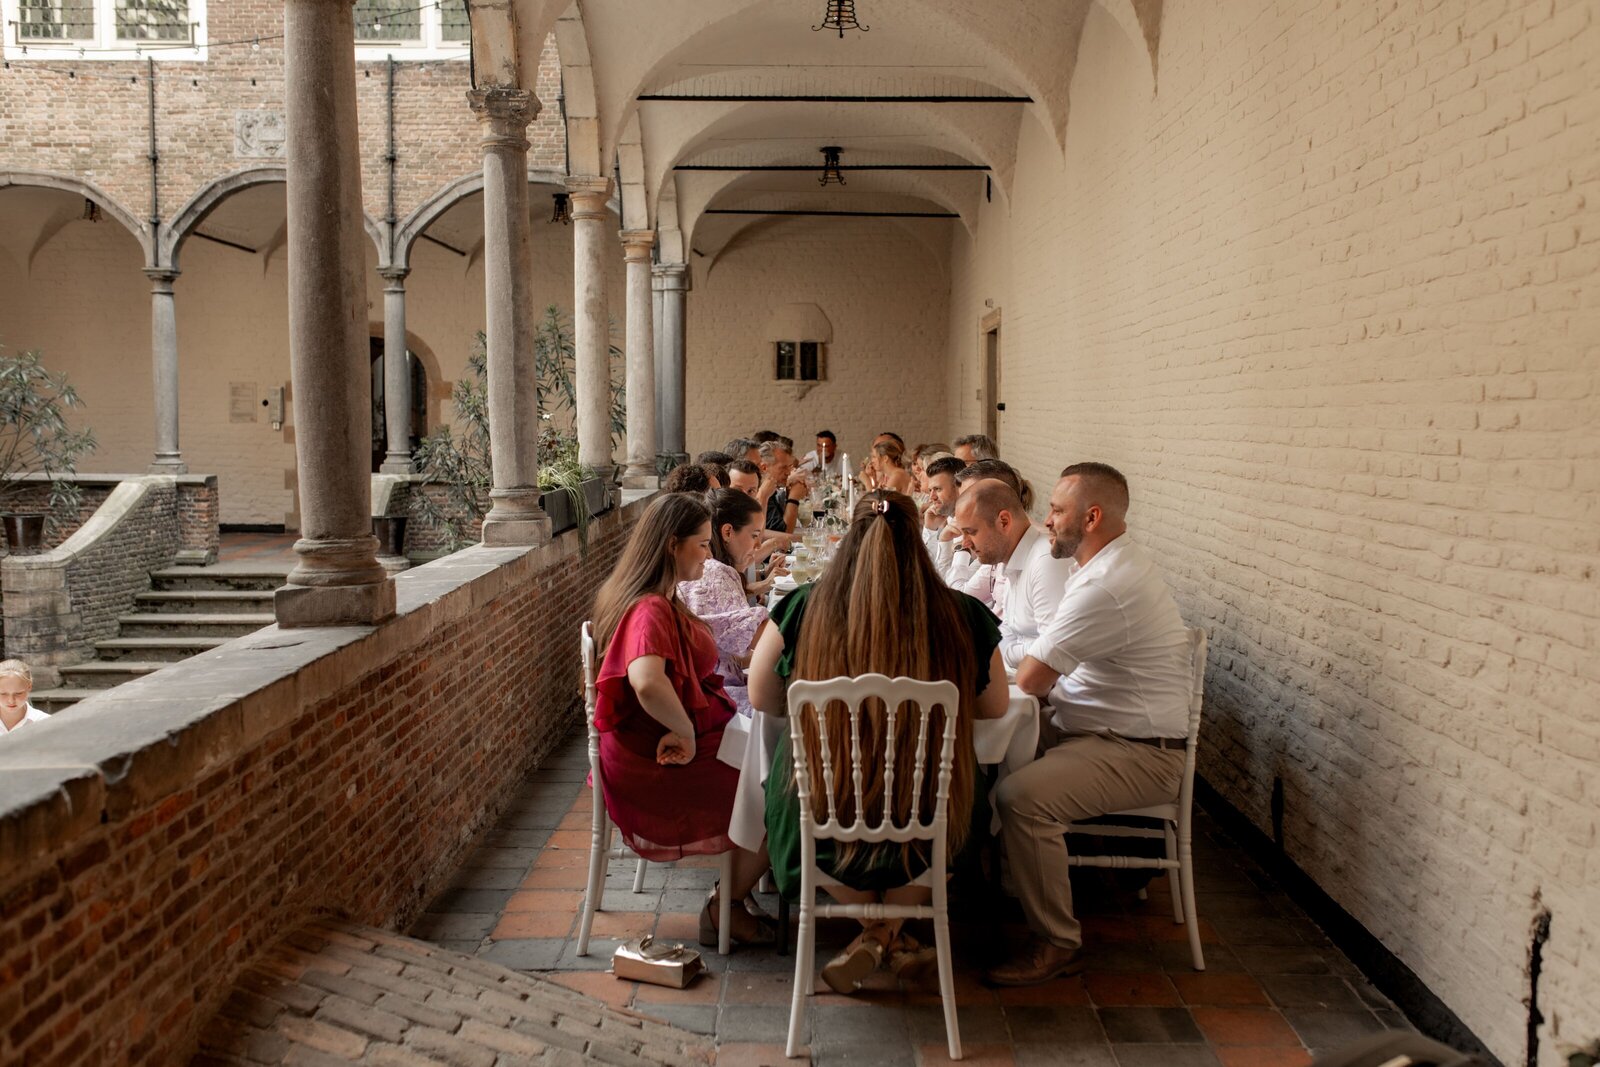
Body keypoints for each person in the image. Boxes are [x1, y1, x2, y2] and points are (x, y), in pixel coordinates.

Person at [748, 491, 1010, 993]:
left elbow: (762, 695)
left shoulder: (804, 604)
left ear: (849, 540)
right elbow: (997, 705)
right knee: (962, 805)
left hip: (826, 814)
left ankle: (872, 935)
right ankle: (890, 932)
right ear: (919, 541)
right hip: (933, 813)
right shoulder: (964, 613)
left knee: (794, 798)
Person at [987, 463, 1193, 986]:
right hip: (1093, 730)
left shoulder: (1107, 583)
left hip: (1138, 750)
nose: (1046, 521)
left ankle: (1057, 942)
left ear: (1092, 516)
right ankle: (992, 890)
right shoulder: (1097, 565)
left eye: (1056, 511)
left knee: (1020, 798)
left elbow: (1032, 677)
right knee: (980, 759)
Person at [590, 494, 776, 946]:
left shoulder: (657, 597)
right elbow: (648, 682)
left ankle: (733, 896)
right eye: (702, 545)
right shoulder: (649, 608)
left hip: (675, 742)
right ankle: (725, 907)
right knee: (784, 791)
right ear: (673, 545)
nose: (709, 556)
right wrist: (687, 733)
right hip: (656, 764)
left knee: (776, 760)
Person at [952, 479, 1075, 665]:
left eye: (971, 532)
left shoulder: (1046, 561)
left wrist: (995, 655)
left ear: (1004, 521)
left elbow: (1056, 649)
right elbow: (1010, 629)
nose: (965, 543)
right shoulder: (1010, 556)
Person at [677, 490, 770, 716]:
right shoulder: (715, 573)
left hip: (705, 689)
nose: (758, 545)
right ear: (727, 531)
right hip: (718, 697)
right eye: (754, 535)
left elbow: (731, 650)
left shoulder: (707, 571)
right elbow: (762, 637)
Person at [757, 440, 809, 534]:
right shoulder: (760, 490)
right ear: (764, 468)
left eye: (789, 467)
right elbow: (784, 532)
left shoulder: (772, 489)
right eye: (783, 467)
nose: (788, 472)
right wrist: (794, 498)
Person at [0, 660, 47, 736]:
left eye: (18, 693)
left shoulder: (45, 722)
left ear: (29, 687)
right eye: (3, 694)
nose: (11, 701)